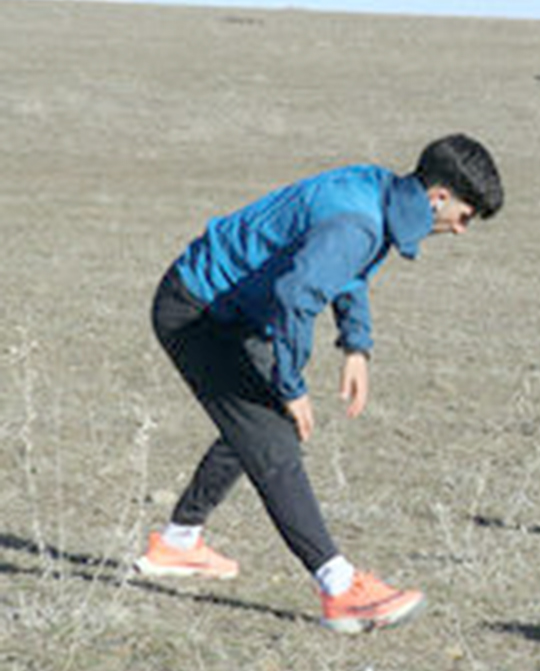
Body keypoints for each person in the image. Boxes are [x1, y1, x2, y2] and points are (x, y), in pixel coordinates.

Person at [135, 134, 504, 633]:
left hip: (232, 310)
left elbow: (343, 269)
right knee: (273, 439)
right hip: (198, 311)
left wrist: (356, 345)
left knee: (260, 427)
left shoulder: (376, 192)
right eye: (465, 216)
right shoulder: (360, 219)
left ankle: (178, 542)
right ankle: (340, 586)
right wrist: (291, 386)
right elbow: (295, 297)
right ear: (438, 195)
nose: (460, 231)